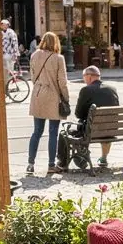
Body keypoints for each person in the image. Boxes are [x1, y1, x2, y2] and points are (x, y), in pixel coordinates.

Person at [56, 65, 120, 171]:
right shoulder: (112, 89)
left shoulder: (86, 90)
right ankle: (103, 158)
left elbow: (78, 114)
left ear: (89, 76)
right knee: (104, 125)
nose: (83, 79)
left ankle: (63, 162)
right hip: (111, 130)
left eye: (84, 76)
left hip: (91, 131)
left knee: (64, 133)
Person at [27, 31, 69, 177]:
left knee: (36, 132)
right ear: (56, 42)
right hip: (53, 96)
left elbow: (32, 76)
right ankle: (51, 165)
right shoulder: (58, 58)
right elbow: (62, 82)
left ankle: (30, 164)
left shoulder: (34, 55)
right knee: (53, 133)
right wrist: (66, 98)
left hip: (38, 95)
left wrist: (39, 86)